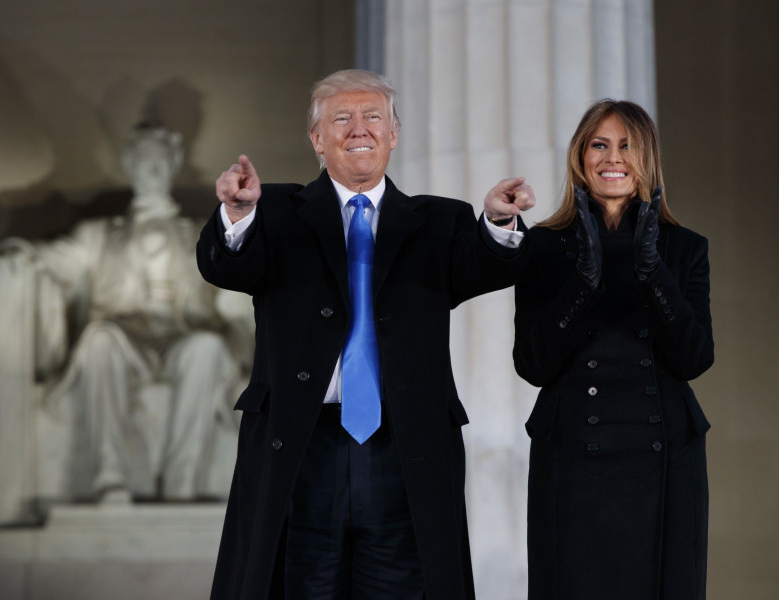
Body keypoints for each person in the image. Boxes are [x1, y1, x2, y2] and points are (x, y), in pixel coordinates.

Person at [197, 69, 535, 599]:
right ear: (317, 139)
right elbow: (229, 268)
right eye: (342, 118)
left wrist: (495, 223)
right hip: (304, 449)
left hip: (405, 454)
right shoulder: (278, 213)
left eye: (373, 116)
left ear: (394, 134)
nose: (360, 129)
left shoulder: (440, 221)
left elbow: (486, 268)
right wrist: (237, 213)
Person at [0, 122, 249, 504]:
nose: (152, 170)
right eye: (144, 162)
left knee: (208, 348)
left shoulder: (201, 234)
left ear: (173, 166)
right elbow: (56, 259)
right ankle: (111, 476)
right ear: (130, 166)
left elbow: (241, 271)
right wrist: (20, 254)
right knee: (99, 339)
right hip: (123, 335)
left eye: (159, 162)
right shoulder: (99, 234)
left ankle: (182, 481)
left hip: (183, 334)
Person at [513, 100, 713, 599]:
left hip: (665, 459)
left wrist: (652, 271)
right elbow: (532, 365)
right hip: (574, 460)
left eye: (626, 145)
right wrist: (584, 278)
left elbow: (695, 358)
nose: (612, 158)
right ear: (581, 156)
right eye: (598, 145)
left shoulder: (685, 248)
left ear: (647, 156)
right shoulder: (542, 246)